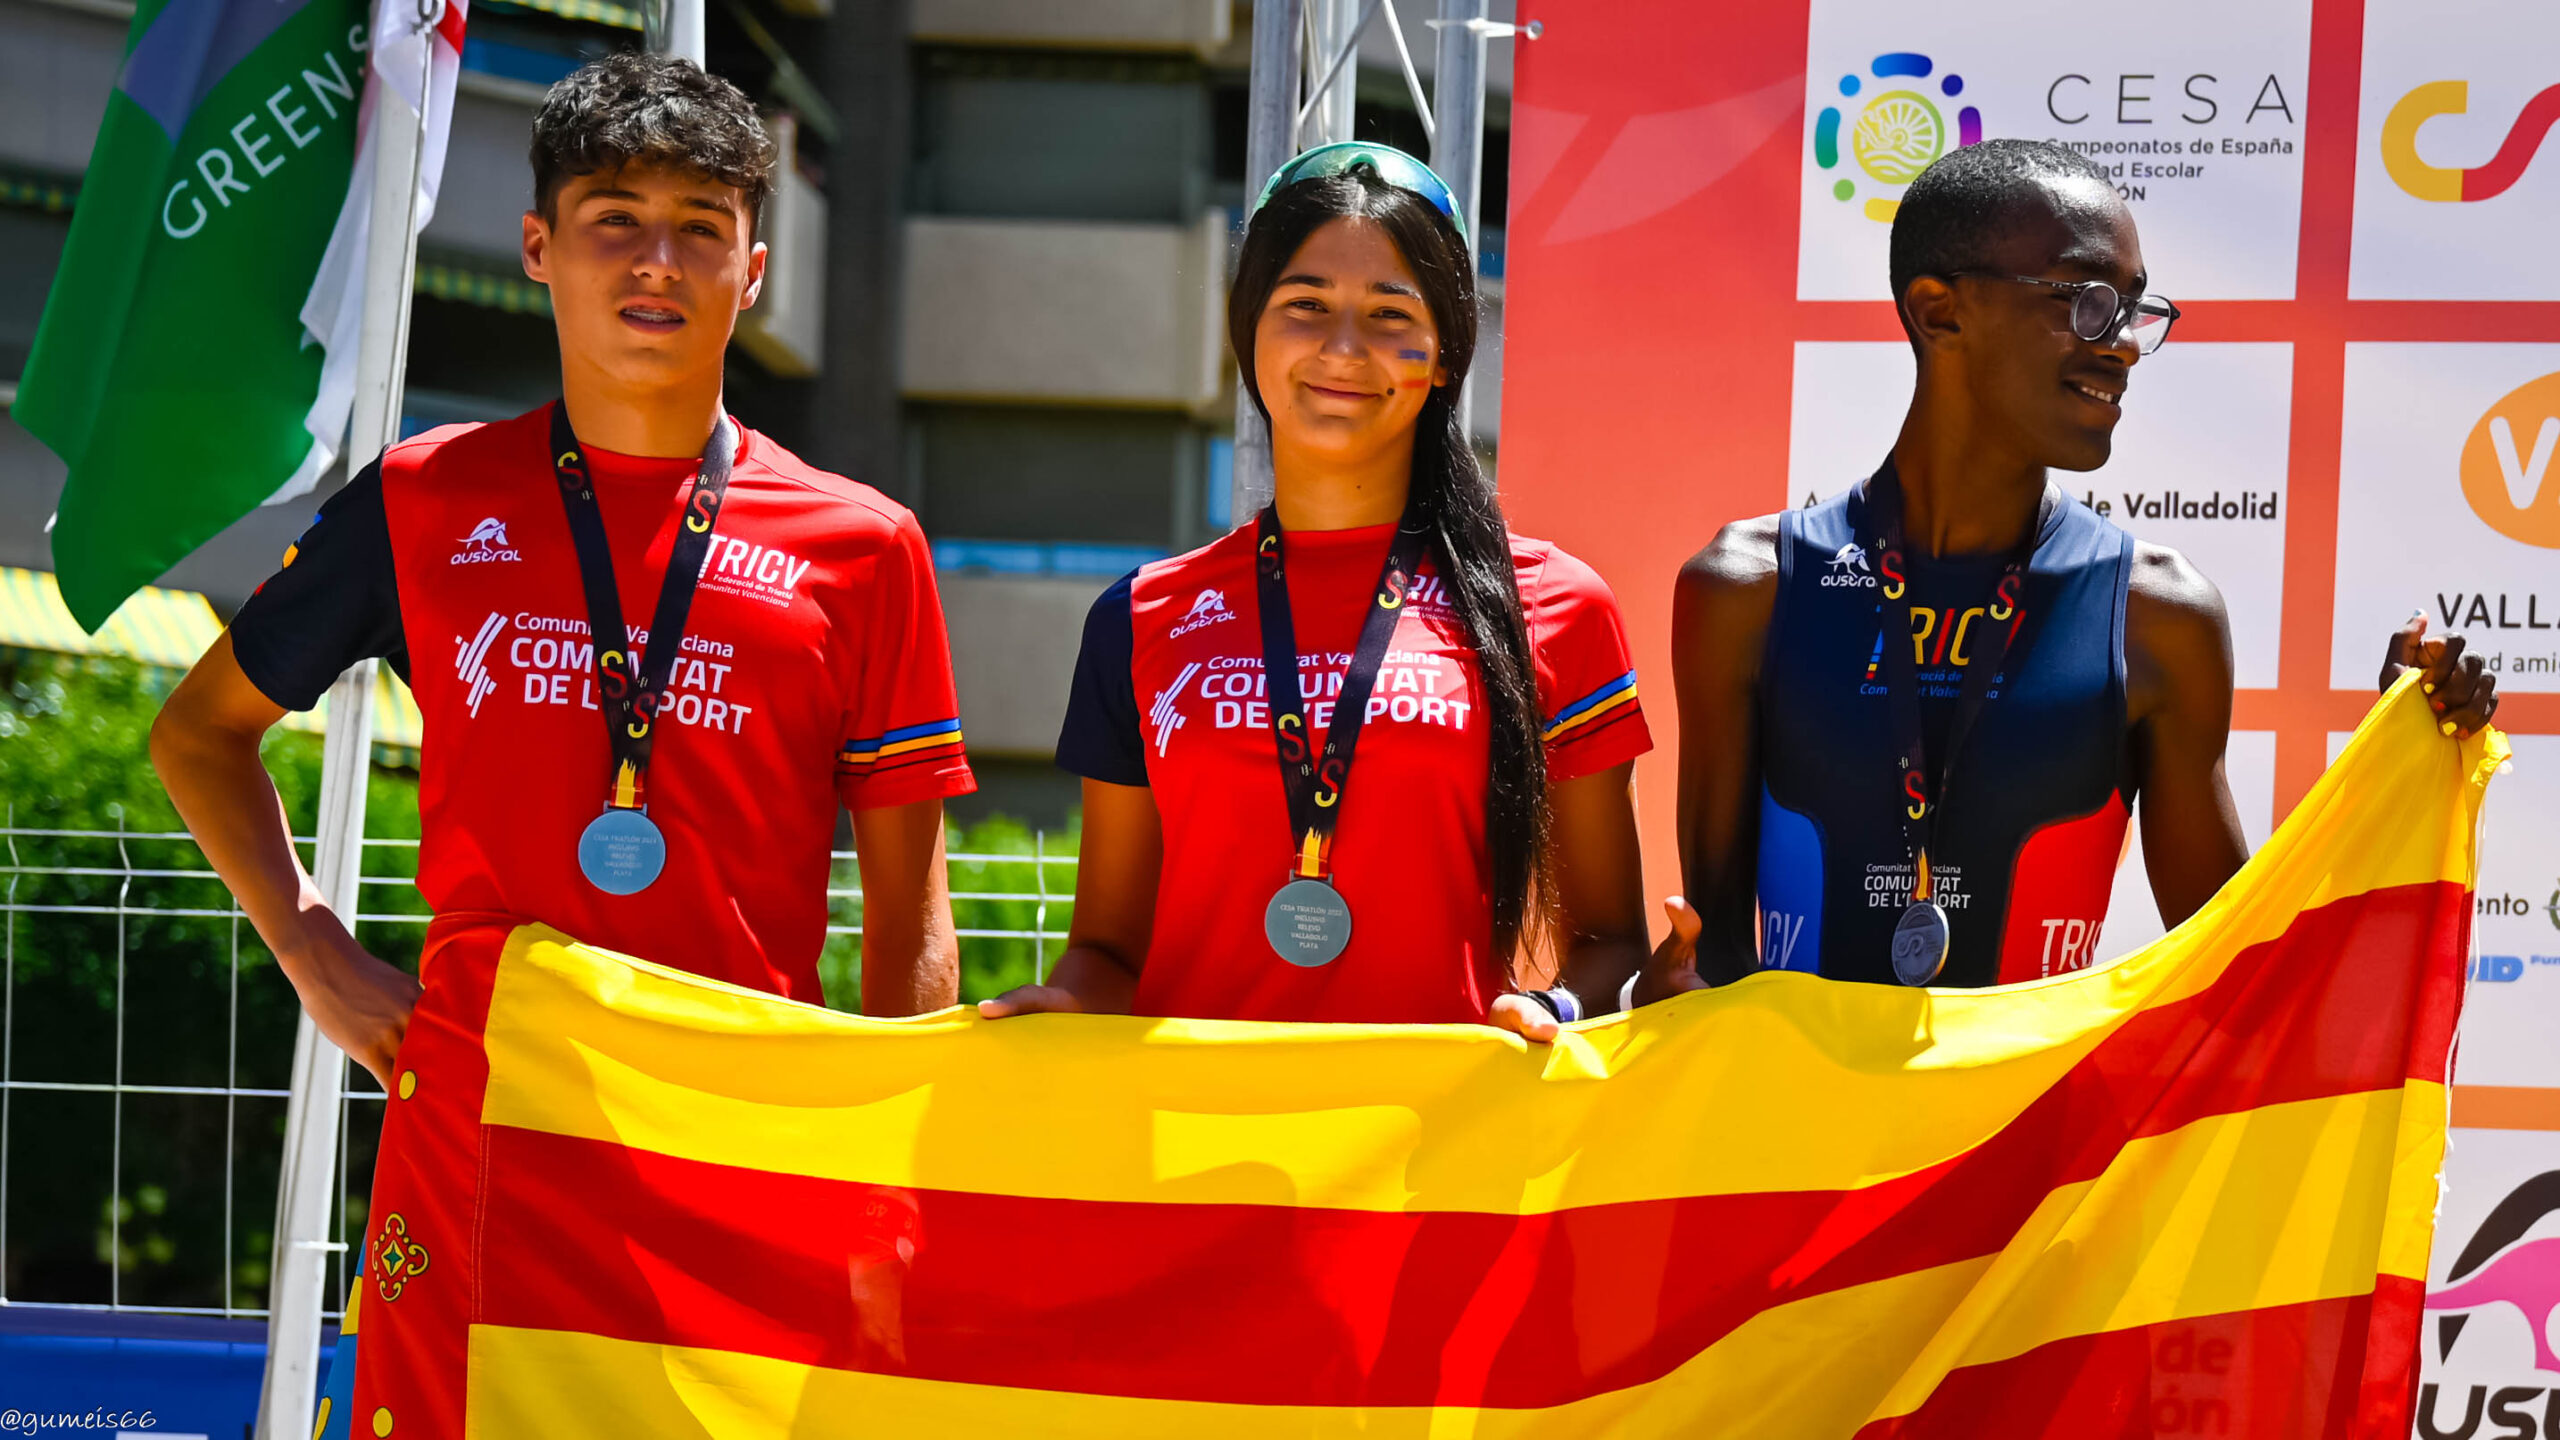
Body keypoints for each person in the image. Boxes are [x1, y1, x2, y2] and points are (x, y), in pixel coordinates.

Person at [149, 53, 976, 1086]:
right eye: (615, 218)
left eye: (702, 226)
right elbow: (199, 733)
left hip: (739, 1123)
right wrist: (316, 955)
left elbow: (912, 925)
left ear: (753, 270)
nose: (658, 262)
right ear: (539, 245)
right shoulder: (422, 497)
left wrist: (887, 1158)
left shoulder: (866, 546)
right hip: (479, 1114)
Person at [1649, 139, 2496, 991]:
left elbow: (2242, 979)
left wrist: (2389, 766)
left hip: (2046, 1091)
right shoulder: (1749, 590)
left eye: (2133, 309)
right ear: (1940, 313)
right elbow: (1712, 959)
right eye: (2087, 301)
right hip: (1799, 1085)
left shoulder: (2161, 616)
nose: (2122, 345)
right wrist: (1663, 995)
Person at [979, 144, 1652, 1039]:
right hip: (1193, 1124)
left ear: (1444, 355)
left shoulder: (1553, 606)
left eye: (1389, 314)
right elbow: (1108, 951)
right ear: (1249, 332)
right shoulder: (1140, 619)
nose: (1343, 349)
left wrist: (1549, 1007)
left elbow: (1613, 943)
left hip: (1440, 1124)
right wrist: (1066, 1006)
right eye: (1305, 305)